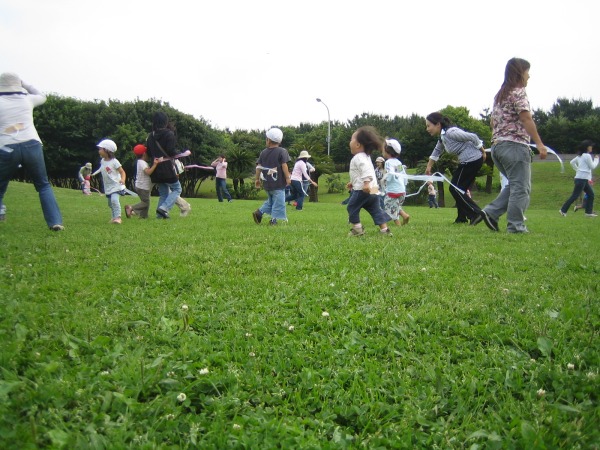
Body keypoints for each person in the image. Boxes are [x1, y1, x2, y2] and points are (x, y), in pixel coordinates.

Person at [472, 57, 547, 233]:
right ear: (521, 72)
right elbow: (525, 117)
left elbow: (492, 122)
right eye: (528, 71)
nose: (529, 76)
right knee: (521, 188)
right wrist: (539, 144)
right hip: (514, 146)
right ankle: (516, 226)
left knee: (514, 185)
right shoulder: (518, 92)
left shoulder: (501, 95)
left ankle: (490, 213)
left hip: (497, 147)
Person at [0, 72, 64, 230]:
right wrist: (25, 84)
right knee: (43, 185)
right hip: (32, 144)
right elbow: (42, 95)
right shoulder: (27, 100)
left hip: (6, 146)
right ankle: (55, 222)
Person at [425, 112, 486, 224]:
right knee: (460, 190)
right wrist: (429, 166)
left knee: (455, 189)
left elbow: (473, 137)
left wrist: (482, 151)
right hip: (469, 161)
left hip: (471, 160)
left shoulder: (451, 133)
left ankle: (476, 213)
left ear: (438, 124)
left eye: (429, 126)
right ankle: (461, 218)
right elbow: (437, 151)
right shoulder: (443, 137)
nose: (427, 129)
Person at [346, 126, 392, 236]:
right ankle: (384, 230)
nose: (350, 142)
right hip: (374, 189)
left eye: (351, 139)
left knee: (352, 207)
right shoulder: (366, 157)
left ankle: (357, 229)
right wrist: (352, 182)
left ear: (357, 145)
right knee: (376, 210)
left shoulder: (358, 157)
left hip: (363, 190)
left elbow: (365, 171)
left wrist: (366, 183)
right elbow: (363, 172)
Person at [145, 111, 182, 219]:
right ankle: (164, 208)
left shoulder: (150, 136)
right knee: (177, 189)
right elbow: (171, 151)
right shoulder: (169, 134)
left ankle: (159, 216)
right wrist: (179, 153)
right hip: (167, 168)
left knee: (163, 193)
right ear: (165, 121)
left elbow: (150, 153)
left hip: (155, 167)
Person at [252, 128, 291, 225]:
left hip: (267, 184)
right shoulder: (282, 151)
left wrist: (257, 179)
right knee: (279, 202)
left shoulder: (263, 152)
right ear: (280, 141)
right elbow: (284, 165)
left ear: (268, 140)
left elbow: (258, 167)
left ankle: (259, 213)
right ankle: (274, 220)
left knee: (271, 201)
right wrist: (287, 177)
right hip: (278, 183)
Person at [559, 140, 598, 217]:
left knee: (591, 194)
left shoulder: (580, 155)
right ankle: (563, 210)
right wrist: (596, 159)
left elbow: (571, 162)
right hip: (581, 179)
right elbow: (592, 166)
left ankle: (588, 213)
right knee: (575, 195)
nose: (591, 147)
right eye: (590, 146)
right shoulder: (587, 155)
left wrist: (578, 170)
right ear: (587, 147)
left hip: (582, 179)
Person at [92, 139, 126, 224]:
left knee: (114, 200)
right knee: (110, 204)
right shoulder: (103, 161)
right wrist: (93, 174)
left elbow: (122, 172)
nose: (99, 151)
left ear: (107, 150)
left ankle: (118, 218)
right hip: (108, 187)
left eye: (100, 149)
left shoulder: (115, 162)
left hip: (116, 186)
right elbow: (102, 168)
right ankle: (114, 217)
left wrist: (123, 179)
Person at [125, 144, 159, 219]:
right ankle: (131, 208)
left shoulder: (139, 162)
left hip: (140, 186)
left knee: (145, 201)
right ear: (144, 154)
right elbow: (148, 172)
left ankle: (143, 217)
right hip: (143, 187)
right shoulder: (142, 163)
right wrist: (155, 165)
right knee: (145, 203)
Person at [382, 138, 410, 225]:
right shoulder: (398, 162)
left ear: (387, 151)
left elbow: (390, 174)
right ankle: (404, 215)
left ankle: (400, 223)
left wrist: (385, 180)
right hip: (401, 190)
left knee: (389, 207)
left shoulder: (388, 162)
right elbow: (403, 174)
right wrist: (405, 184)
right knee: (395, 205)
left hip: (392, 190)